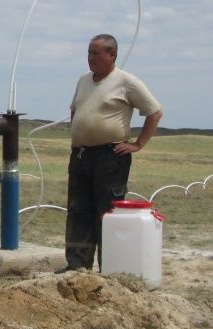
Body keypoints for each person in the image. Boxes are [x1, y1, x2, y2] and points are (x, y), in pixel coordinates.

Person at [65, 34, 163, 271]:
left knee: (107, 212)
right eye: (88, 52)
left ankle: (109, 267)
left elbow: (154, 111)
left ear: (112, 55)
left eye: (96, 53)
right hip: (81, 156)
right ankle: (77, 265)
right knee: (78, 210)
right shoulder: (84, 81)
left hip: (110, 157)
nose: (90, 58)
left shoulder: (127, 82)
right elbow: (75, 110)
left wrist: (138, 144)